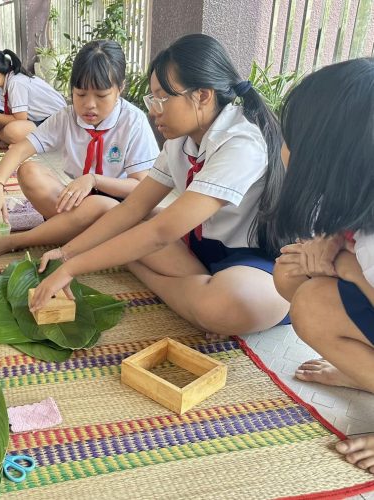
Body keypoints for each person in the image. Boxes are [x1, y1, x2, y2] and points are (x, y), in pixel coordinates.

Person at [29, 34, 290, 337]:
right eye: (152, 100)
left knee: (227, 302)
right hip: (197, 254)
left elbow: (161, 232)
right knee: (119, 219)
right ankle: (192, 296)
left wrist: (72, 268)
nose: (153, 111)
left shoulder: (241, 143)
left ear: (203, 96)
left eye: (161, 99)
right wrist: (66, 253)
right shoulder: (179, 142)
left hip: (252, 262)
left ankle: (177, 292)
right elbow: (133, 207)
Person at [270, 58, 374, 472]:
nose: (283, 149)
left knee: (312, 302)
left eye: (293, 139)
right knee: (294, 275)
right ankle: (360, 372)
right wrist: (329, 245)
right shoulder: (352, 198)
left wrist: (346, 268)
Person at [0, 40, 158, 258]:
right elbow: (20, 149)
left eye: (101, 96)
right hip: (76, 202)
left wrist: (94, 180)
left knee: (100, 205)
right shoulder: (67, 117)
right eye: (80, 94)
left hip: (116, 207)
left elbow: (140, 187)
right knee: (28, 171)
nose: (89, 105)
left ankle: (19, 240)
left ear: (120, 88)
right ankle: (84, 234)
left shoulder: (133, 121)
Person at [0, 48, 67, 146]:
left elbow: (19, 119)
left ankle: (26, 143)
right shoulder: (5, 84)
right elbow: (9, 115)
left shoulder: (16, 83)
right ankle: (22, 141)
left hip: (57, 122)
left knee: (12, 130)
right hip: (40, 121)